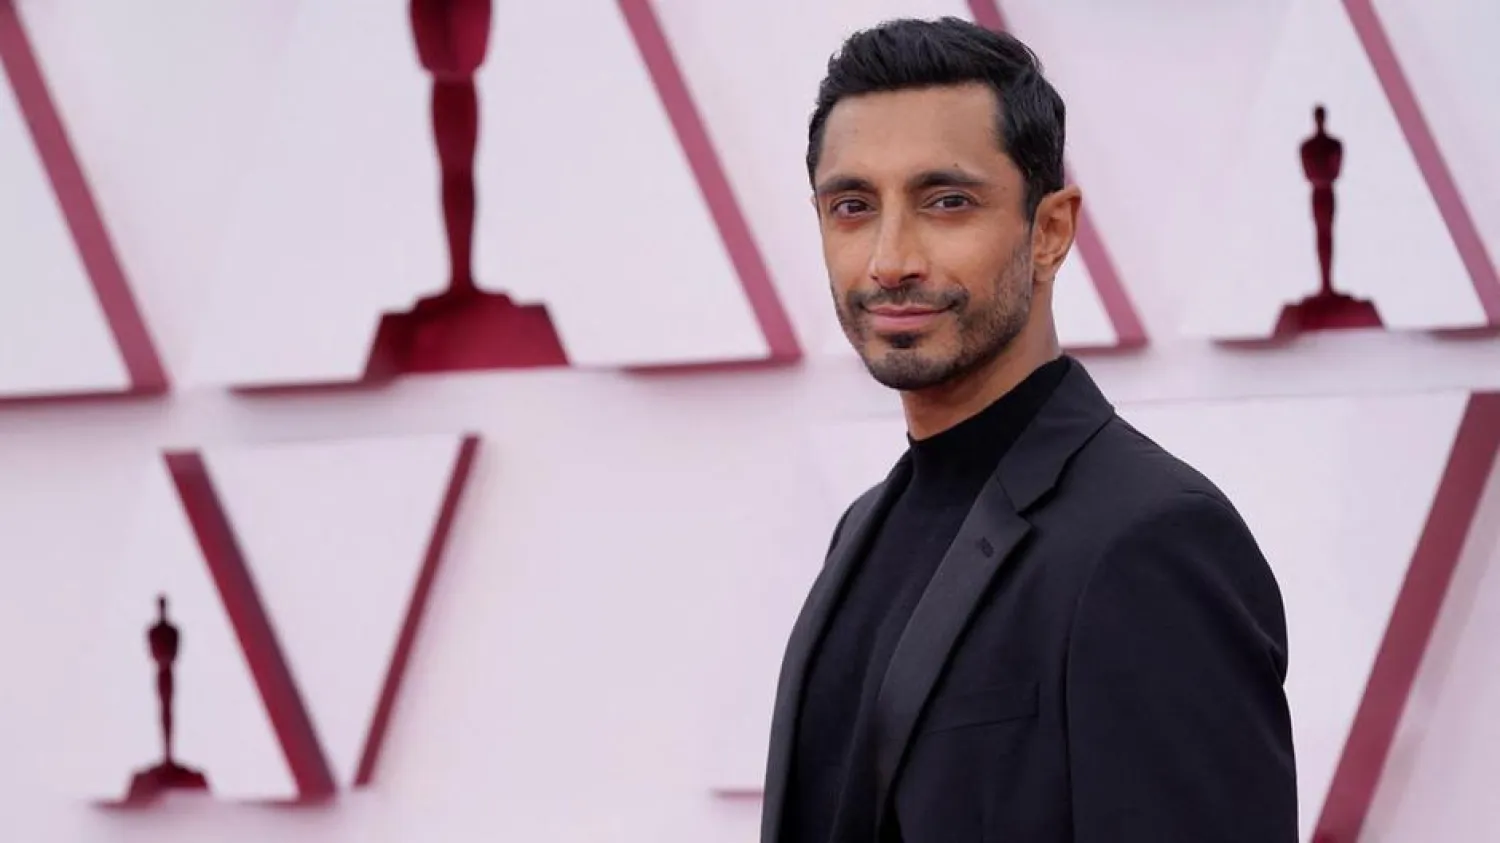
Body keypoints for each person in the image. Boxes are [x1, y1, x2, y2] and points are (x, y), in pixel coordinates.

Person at [760, 17, 1297, 843]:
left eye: (947, 202)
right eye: (853, 206)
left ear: (1050, 230)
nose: (890, 259)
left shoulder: (1150, 539)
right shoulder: (862, 529)